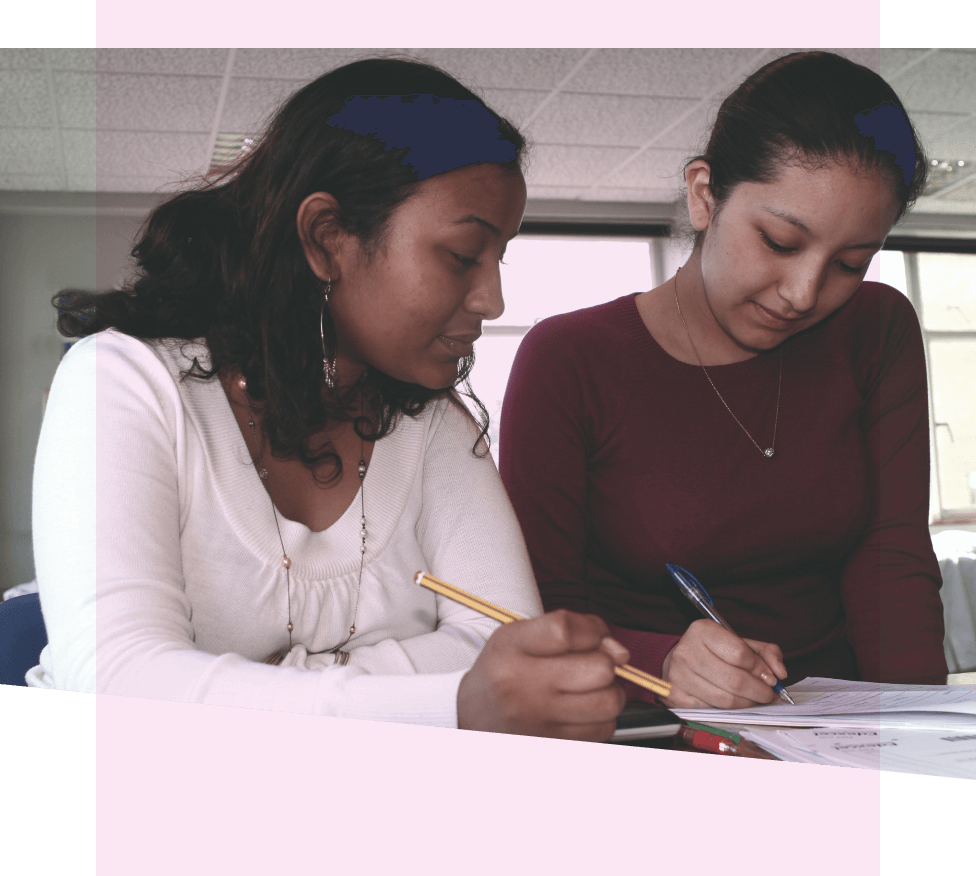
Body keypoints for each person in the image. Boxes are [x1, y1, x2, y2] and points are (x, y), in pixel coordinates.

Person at [30, 57, 629, 742]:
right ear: (326, 239)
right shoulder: (122, 382)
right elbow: (116, 685)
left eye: (502, 259)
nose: (493, 300)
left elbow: (506, 648)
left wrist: (244, 679)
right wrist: (447, 702)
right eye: (464, 255)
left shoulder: (434, 426)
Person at [499, 51, 950, 711]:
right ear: (704, 194)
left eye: (851, 263)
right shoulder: (568, 359)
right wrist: (662, 663)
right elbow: (537, 618)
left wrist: (916, 730)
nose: (804, 294)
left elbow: (893, 563)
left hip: (841, 726)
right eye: (780, 242)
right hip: (649, 721)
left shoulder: (875, 328)